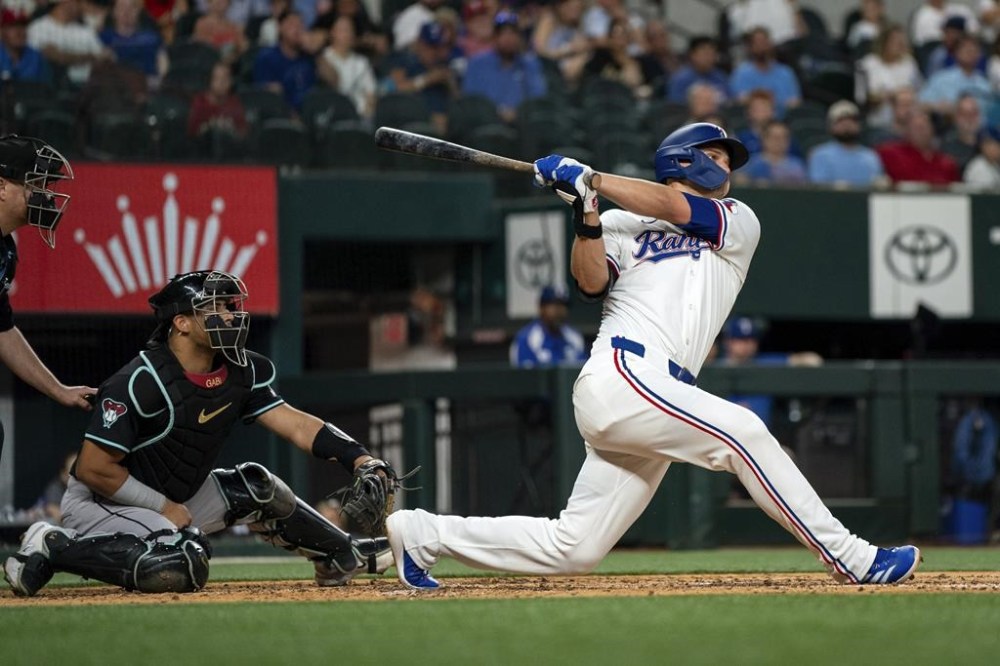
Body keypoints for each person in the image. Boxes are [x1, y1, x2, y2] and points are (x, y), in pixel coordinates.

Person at [384, 122, 921, 590]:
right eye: (715, 156)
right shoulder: (621, 225)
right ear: (681, 159)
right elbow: (590, 281)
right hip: (623, 373)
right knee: (745, 433)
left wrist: (591, 179)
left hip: (662, 395)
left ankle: (423, 533)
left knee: (575, 549)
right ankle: (853, 559)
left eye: (726, 161)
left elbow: (670, 206)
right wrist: (587, 211)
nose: (724, 167)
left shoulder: (736, 220)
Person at [3, 270, 394, 598]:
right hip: (103, 503)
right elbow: (92, 469)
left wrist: (360, 457)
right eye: (216, 308)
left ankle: (340, 553)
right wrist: (161, 508)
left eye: (230, 306)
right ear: (182, 322)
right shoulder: (141, 380)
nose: (230, 315)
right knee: (180, 565)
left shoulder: (242, 369)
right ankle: (55, 545)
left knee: (256, 487)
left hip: (176, 498)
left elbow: (295, 422)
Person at [0, 135, 97, 466]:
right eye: (35, 185)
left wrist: (59, 389)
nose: (45, 196)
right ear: (1, 186)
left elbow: (2, 328)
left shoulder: (5, 249)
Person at [462, 12, 547, 124]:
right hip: (484, 124)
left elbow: (538, 98)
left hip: (522, 125)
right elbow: (470, 100)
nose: (509, 39)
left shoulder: (529, 64)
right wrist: (496, 113)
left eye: (513, 34)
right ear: (495, 38)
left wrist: (517, 113)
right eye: (503, 34)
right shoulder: (477, 64)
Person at [855, 25, 923, 129]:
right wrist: (888, 96)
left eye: (902, 41)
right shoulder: (866, 64)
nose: (900, 45)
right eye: (896, 41)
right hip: (878, 120)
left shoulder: (909, 63)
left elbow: (919, 90)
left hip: (907, 119)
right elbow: (861, 97)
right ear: (884, 42)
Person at [807, 100, 887, 187]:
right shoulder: (820, 155)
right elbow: (818, 187)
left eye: (852, 120)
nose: (847, 124)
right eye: (840, 120)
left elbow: (877, 185)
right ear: (831, 126)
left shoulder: (870, 156)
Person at [729, 26, 801, 117]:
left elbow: (795, 102)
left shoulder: (785, 73)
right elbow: (739, 101)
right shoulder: (741, 73)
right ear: (750, 47)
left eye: (764, 42)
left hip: (783, 121)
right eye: (757, 43)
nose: (762, 47)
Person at [510, 285, 587, 368]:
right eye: (555, 305)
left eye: (564, 305)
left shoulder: (575, 337)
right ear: (541, 308)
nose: (560, 311)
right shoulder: (527, 339)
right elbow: (524, 377)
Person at [316, 14, 377, 119]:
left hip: (360, 118)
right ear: (332, 33)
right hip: (333, 116)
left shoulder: (362, 62)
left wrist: (367, 113)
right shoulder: (323, 59)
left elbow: (371, 94)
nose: (346, 34)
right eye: (342, 30)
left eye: (349, 30)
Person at [876, 109, 960, 184]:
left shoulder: (947, 163)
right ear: (907, 131)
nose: (922, 132)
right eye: (917, 128)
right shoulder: (890, 153)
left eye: (925, 127)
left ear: (932, 130)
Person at [738, 120, 807, 184]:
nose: (779, 142)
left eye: (783, 137)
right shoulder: (751, 163)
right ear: (764, 139)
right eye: (775, 137)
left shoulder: (797, 166)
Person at [667, 35, 729, 105]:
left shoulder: (720, 76)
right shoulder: (680, 79)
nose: (709, 58)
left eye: (712, 54)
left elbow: (729, 101)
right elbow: (676, 107)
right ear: (692, 55)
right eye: (705, 54)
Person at [0, 8, 52, 84]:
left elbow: (46, 90)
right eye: (12, 26)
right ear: (2, 31)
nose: (19, 32)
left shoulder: (37, 57)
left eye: (23, 26)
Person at [38, 452, 77, 523]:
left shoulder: (89, 488)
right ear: (63, 474)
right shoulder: (56, 488)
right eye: (73, 472)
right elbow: (53, 510)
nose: (77, 476)